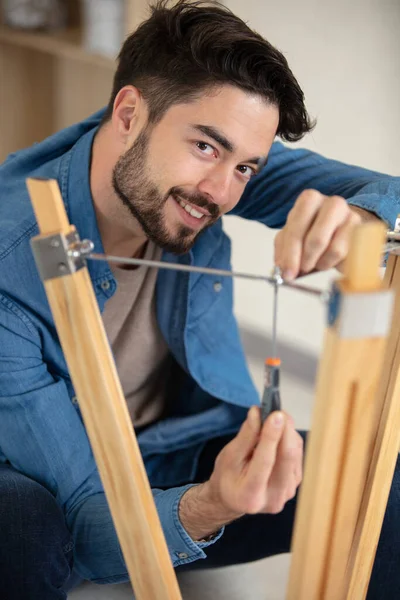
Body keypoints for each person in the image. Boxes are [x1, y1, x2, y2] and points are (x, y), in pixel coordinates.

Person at [0, 1, 398, 598]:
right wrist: (212, 506)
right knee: (24, 527)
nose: (220, 193)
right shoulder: (10, 270)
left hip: (174, 453)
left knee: (385, 474)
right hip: (57, 490)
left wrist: (359, 218)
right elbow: (88, 519)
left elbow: (385, 192)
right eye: (207, 148)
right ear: (130, 113)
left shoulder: (202, 167)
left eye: (246, 167)